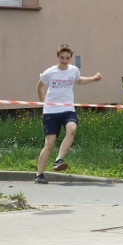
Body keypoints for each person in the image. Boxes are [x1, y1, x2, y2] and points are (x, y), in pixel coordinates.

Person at [34, 44, 102, 184]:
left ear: (70, 58)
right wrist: (43, 102)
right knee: (50, 143)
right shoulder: (50, 72)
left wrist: (93, 79)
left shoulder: (73, 70)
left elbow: (78, 81)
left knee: (72, 129)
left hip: (67, 109)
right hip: (51, 112)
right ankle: (39, 174)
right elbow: (39, 86)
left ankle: (59, 159)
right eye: (62, 57)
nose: (64, 60)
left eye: (67, 58)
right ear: (58, 57)